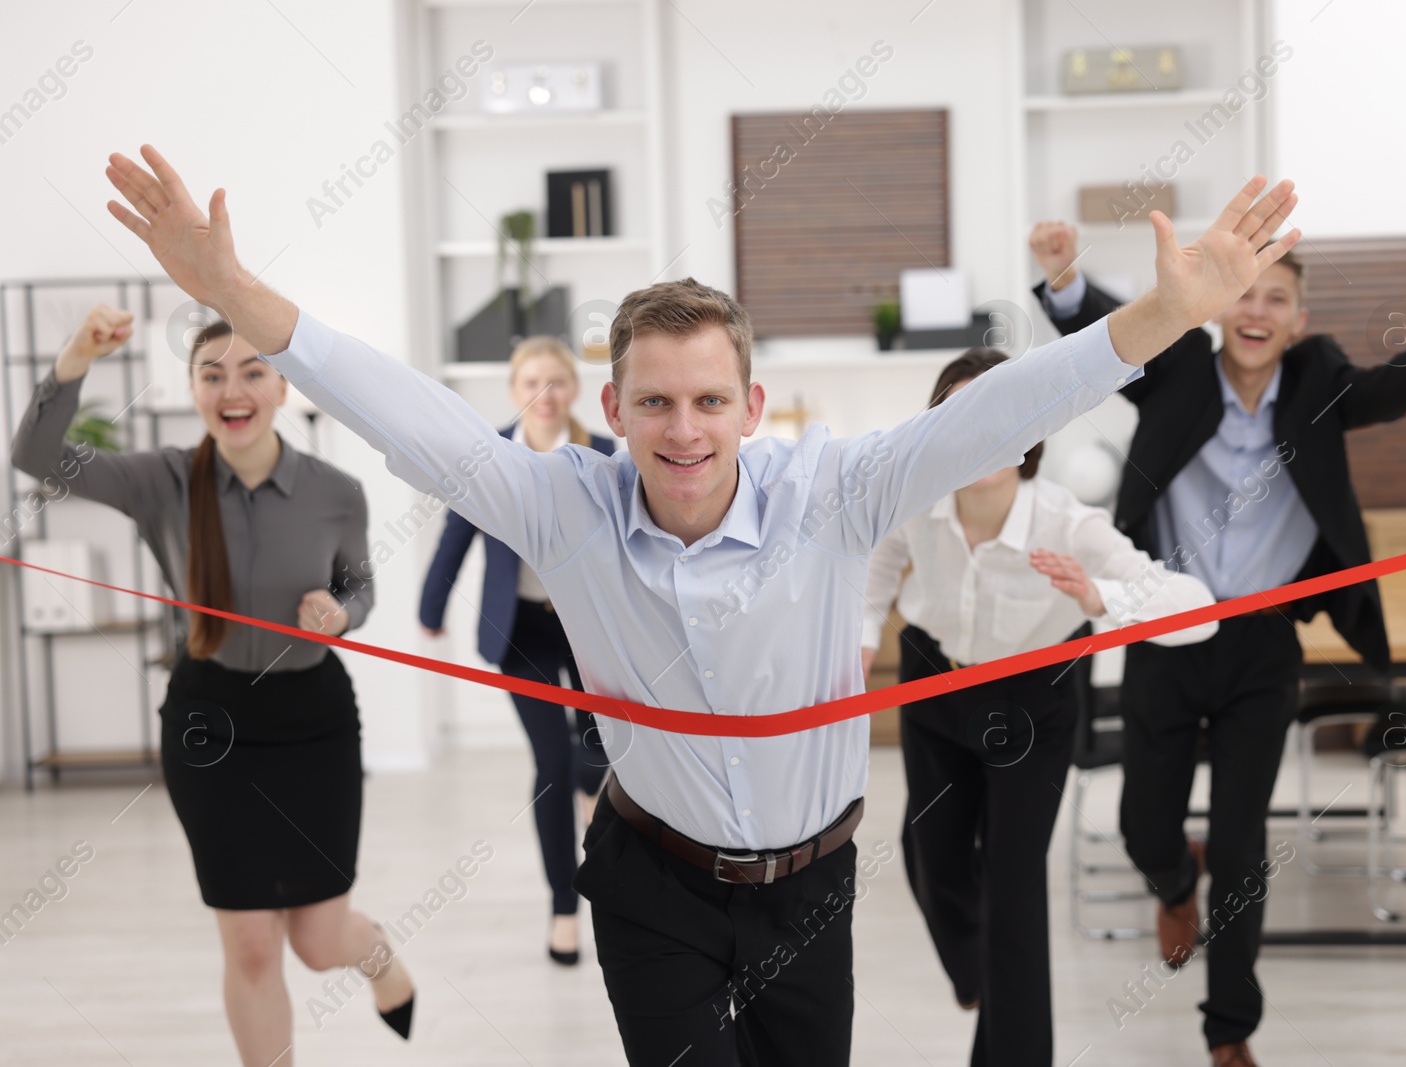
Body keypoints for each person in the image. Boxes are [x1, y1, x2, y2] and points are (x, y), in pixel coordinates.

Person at [101, 143, 1301, 1067]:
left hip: (810, 883)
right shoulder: (560, 503)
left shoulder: (832, 489)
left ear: (749, 404)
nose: (685, 430)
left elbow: (991, 413)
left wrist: (1162, 316)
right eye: (658, 402)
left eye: (709, 401)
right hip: (650, 880)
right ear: (613, 410)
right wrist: (244, 300)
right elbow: (407, 417)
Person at [1030, 220, 1406, 1067]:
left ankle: (1230, 1029)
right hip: (1168, 623)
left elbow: (1386, 389)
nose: (1257, 311)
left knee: (1246, 841)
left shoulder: (1318, 375)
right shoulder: (1176, 365)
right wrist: (1064, 278)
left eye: (1275, 298)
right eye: (1243, 293)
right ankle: (1176, 881)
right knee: (1145, 824)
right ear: (1218, 304)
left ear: (1297, 316)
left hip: (1262, 641)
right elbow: (1108, 326)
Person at [11, 306, 414, 1066]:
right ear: (194, 388)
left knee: (321, 942)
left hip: (313, 723)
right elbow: (34, 454)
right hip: (210, 724)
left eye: (253, 370)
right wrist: (75, 355)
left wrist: (341, 613)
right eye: (212, 373)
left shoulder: (337, 490)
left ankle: (382, 959)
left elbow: (359, 583)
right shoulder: (158, 479)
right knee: (254, 946)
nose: (233, 389)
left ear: (282, 385)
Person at [860, 347, 1219, 1066]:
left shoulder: (1068, 521)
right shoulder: (914, 504)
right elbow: (874, 571)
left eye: (1002, 419)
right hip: (934, 684)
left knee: (1013, 886)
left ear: (1031, 433)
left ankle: (1011, 1039)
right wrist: (862, 642)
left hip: (1032, 699)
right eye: (964, 419)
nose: (984, 438)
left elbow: (1198, 611)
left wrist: (1102, 599)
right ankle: (983, 975)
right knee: (930, 860)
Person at [418, 335, 615, 966]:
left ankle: (594, 783)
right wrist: (431, 609)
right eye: (531, 383)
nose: (544, 394)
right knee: (552, 764)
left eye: (555, 382)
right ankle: (564, 905)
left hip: (590, 628)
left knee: (596, 753)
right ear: (514, 392)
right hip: (520, 630)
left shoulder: (607, 455)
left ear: (574, 390)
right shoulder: (488, 458)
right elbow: (457, 532)